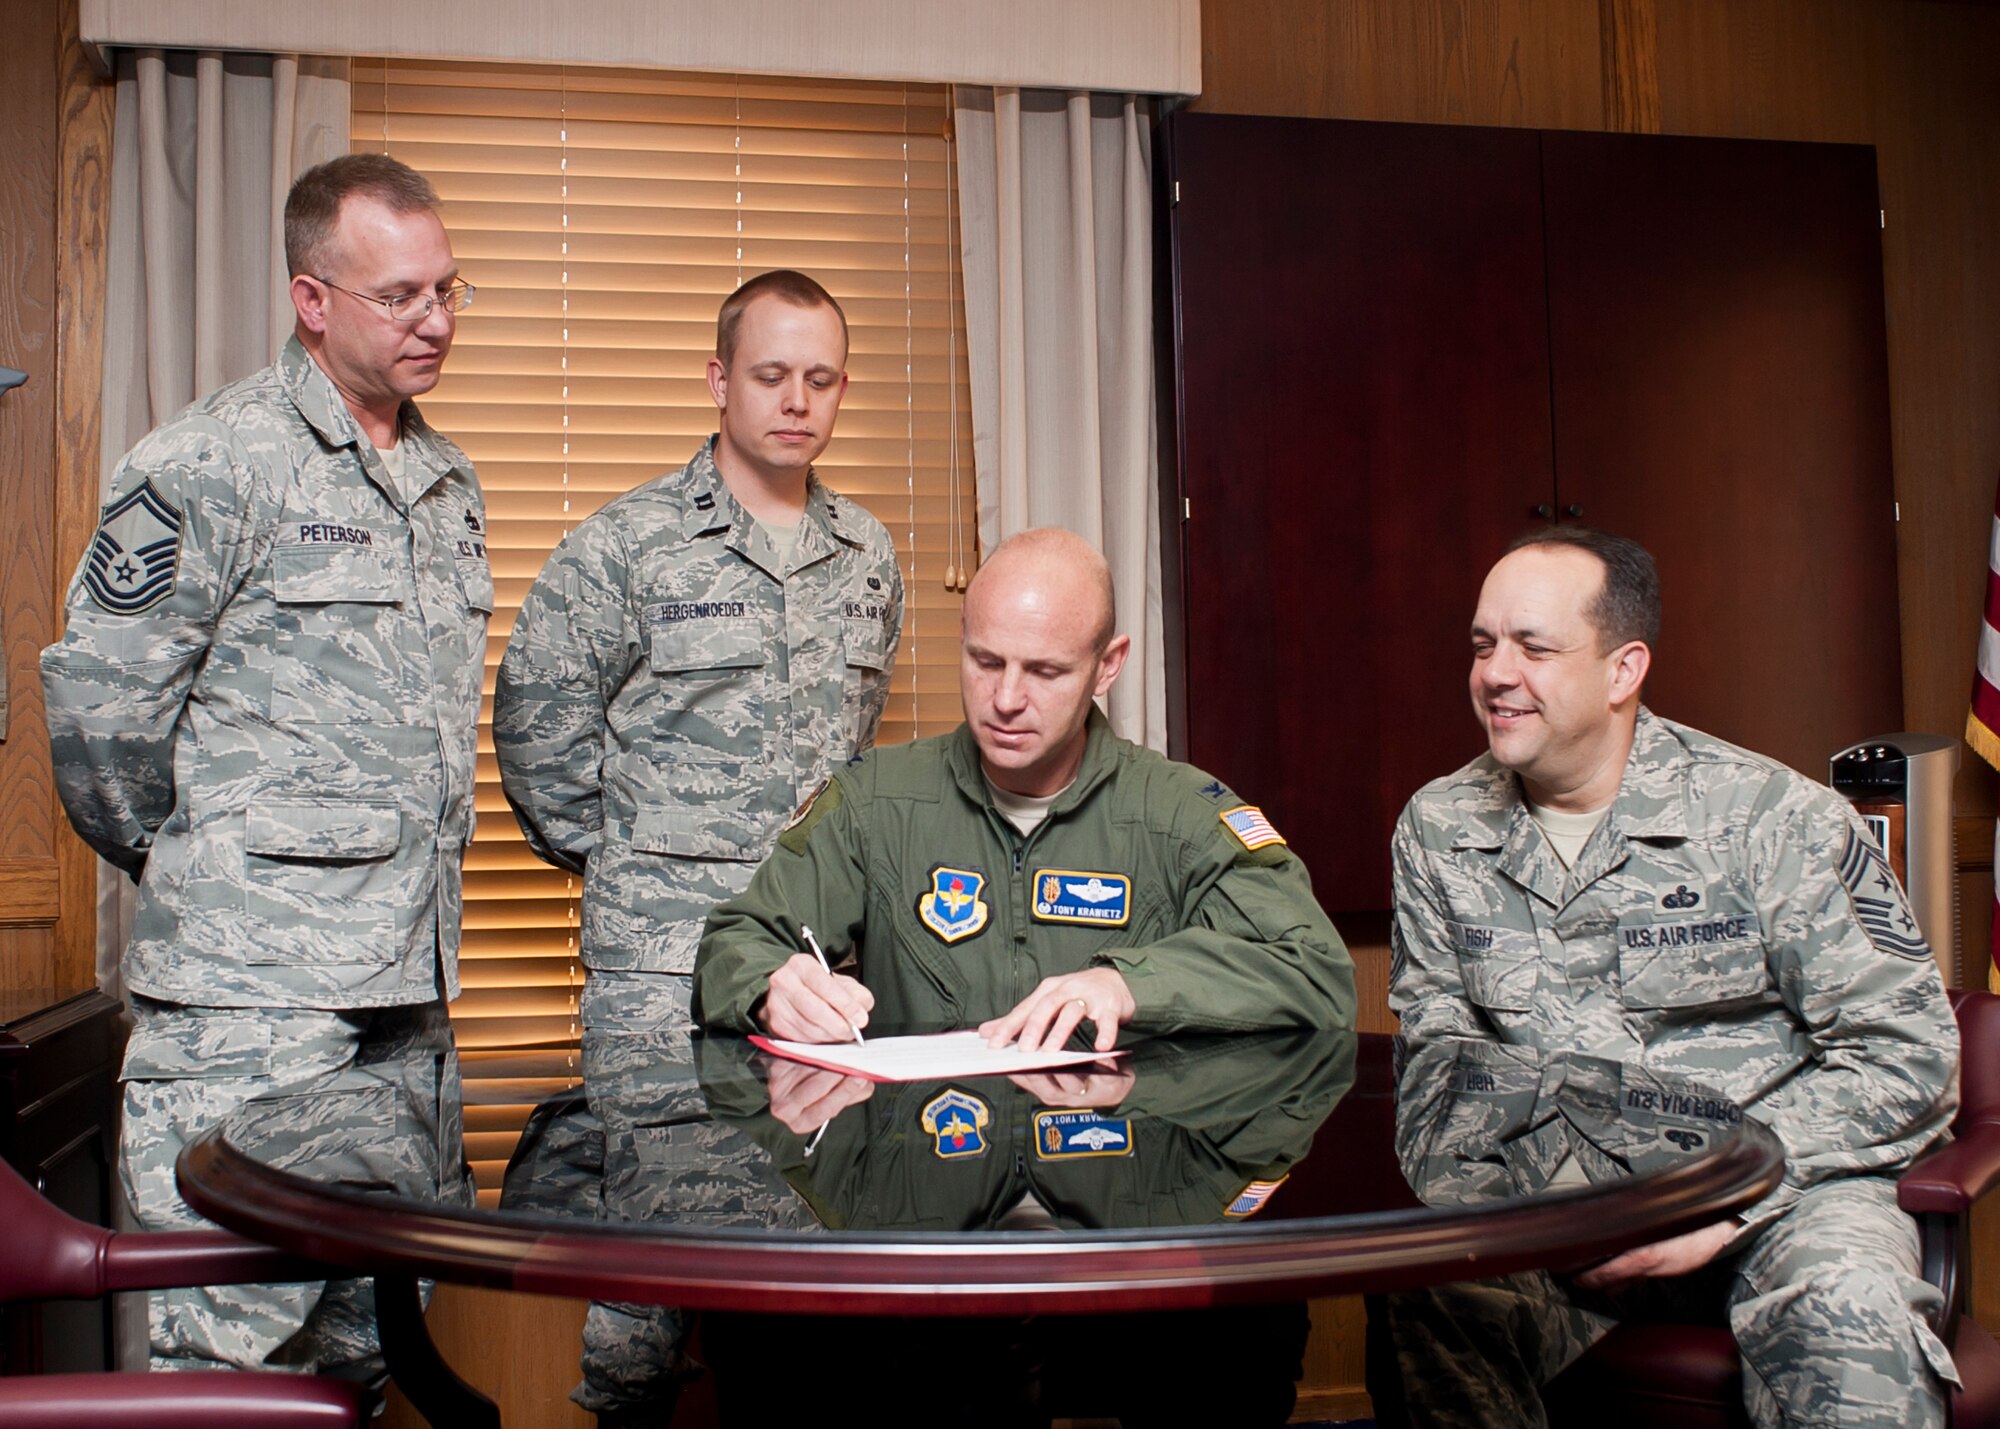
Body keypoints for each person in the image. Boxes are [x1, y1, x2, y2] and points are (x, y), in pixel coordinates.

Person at [40, 153, 485, 1375]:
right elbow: (100, 720)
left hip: (405, 1004)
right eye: (400, 295)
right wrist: (217, 875)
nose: (435, 319)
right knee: (230, 1354)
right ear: (312, 298)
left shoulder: (446, 484)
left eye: (448, 289)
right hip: (250, 1010)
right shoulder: (205, 464)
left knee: (371, 1349)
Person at [1371, 526, 1960, 1427]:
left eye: (1535, 646)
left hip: (1779, 1196)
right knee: (1429, 1295)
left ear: (1623, 668)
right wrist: (1530, 1199)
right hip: (1562, 1208)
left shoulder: (1772, 818)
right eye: (1484, 644)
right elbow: (1440, 1063)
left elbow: (1905, 1055)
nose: (1495, 671)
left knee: (1849, 1317)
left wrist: (1719, 1199)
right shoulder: (1439, 829)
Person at [491, 268, 903, 1424]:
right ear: (718, 379)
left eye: (820, 379)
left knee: (818, 1279)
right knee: (648, 1290)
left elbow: (849, 761)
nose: (796, 401)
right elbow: (540, 736)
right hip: (660, 977)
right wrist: (642, 870)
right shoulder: (624, 548)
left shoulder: (867, 555)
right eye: (770, 374)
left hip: (822, 974)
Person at [692, 526, 1356, 1047]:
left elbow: (1315, 974)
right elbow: (733, 944)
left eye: (1044, 671)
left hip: (1115, 1195)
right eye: (986, 661)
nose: (1005, 698)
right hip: (930, 1193)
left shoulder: (1180, 815)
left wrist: (1132, 985)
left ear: (1107, 666)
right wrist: (768, 987)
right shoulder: (875, 802)